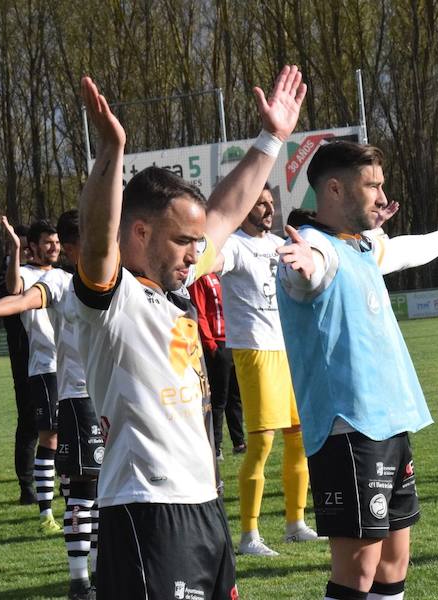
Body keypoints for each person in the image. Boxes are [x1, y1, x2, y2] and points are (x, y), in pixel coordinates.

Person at [74, 65, 304, 598]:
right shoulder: (112, 299)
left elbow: (225, 210)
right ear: (140, 232)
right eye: (183, 241)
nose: (195, 254)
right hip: (146, 513)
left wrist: (272, 138)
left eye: (197, 244)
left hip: (205, 505)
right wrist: (111, 152)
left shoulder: (175, 286)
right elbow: (95, 236)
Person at [275, 140, 438, 600]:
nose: (382, 197)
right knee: (357, 569)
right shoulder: (317, 249)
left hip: (389, 422)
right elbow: (309, 271)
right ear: (334, 190)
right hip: (350, 429)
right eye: (372, 186)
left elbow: (402, 250)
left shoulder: (360, 248)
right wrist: (301, 268)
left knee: (393, 562)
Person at [0, 210, 102, 599]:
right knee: (83, 484)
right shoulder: (57, 282)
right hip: (77, 396)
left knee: (104, 487)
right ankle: (79, 577)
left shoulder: (113, 279)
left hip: (110, 397)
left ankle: (100, 570)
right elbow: (21, 299)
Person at [215, 185, 318, 556]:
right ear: (243, 208)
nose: (268, 209)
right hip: (255, 350)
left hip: (287, 348)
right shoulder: (233, 246)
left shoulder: (278, 244)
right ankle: (249, 536)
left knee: (299, 437)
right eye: (260, 203)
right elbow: (210, 262)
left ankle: (295, 523)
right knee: (261, 443)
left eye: (271, 203)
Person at [4, 218, 64, 533]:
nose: (53, 247)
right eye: (47, 242)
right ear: (34, 247)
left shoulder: (66, 275)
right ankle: (45, 514)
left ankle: (75, 504)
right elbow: (13, 290)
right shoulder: (27, 274)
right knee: (49, 437)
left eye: (56, 241)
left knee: (74, 438)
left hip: (74, 369)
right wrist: (15, 250)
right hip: (45, 369)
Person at [0, 222, 38, 504]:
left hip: (56, 360)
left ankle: (66, 477)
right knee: (30, 424)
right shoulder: (6, 277)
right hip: (25, 360)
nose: (22, 251)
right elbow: (12, 293)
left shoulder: (49, 275)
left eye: (25, 246)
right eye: (17, 247)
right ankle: (27, 486)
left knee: (58, 424)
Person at [188, 272, 246, 461]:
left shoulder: (226, 275)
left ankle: (239, 442)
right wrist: (210, 343)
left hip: (234, 341)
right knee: (218, 399)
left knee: (235, 396)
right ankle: (216, 446)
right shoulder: (202, 278)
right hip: (217, 343)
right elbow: (200, 311)